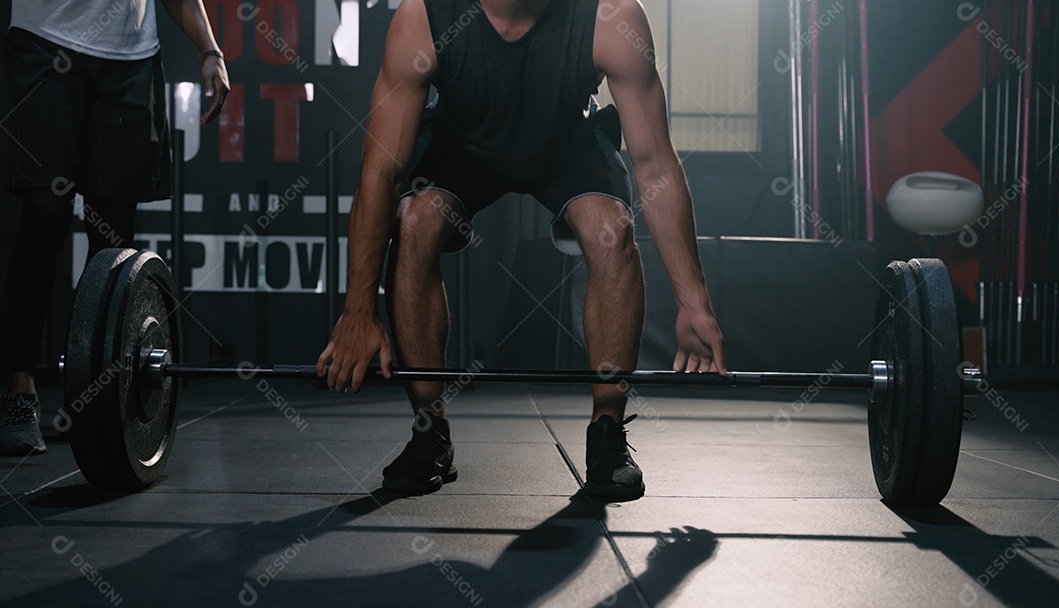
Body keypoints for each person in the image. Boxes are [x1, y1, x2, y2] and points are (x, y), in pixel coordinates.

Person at [318, 0, 724, 499]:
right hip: (464, 146)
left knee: (611, 228)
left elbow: (655, 166)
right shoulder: (421, 19)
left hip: (565, 147)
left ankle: (606, 434)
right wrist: (358, 308)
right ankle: (430, 433)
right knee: (415, 220)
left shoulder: (610, 17)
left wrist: (693, 302)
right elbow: (380, 174)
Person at [0, 0, 229, 455]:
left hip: (129, 58)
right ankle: (17, 391)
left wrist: (211, 51)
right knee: (47, 210)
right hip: (45, 43)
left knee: (113, 235)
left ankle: (91, 396)